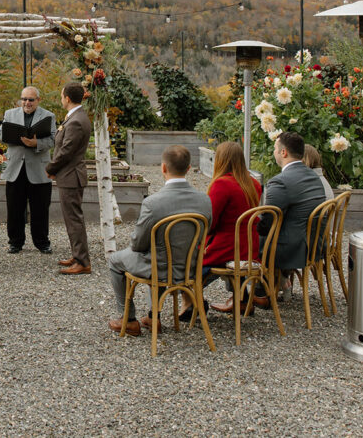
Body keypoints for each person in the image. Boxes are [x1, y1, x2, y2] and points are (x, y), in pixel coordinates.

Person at [106, 146, 211, 336]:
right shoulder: (204, 201)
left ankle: (128, 319)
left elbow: (137, 244)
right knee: (159, 255)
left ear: (163, 168)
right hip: (190, 268)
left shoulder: (153, 203)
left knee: (115, 260)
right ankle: (154, 316)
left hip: (160, 269)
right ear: (188, 169)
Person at [255, 131, 327, 308]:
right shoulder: (314, 176)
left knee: (243, 239)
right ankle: (274, 283)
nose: (274, 152)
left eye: (275, 149)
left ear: (283, 152)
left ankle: (253, 295)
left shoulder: (280, 182)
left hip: (292, 249)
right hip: (314, 244)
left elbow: (267, 224)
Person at [198, 141, 262, 316]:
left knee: (191, 257)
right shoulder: (253, 183)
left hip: (228, 247)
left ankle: (192, 299)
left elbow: (210, 223)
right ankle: (240, 299)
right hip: (249, 246)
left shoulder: (222, 184)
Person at [0, 86, 56, 254]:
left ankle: (42, 242)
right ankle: (15, 242)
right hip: (15, 167)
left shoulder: (48, 116)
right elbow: (0, 136)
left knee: (40, 208)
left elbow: (53, 140)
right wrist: (14, 136)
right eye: (24, 99)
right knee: (14, 208)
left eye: (31, 100)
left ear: (38, 100)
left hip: (39, 168)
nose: (27, 103)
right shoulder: (10, 114)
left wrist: (36, 144)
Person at [46, 82, 93, 275]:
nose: (60, 99)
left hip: (71, 175)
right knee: (71, 218)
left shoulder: (75, 121)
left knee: (73, 219)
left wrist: (51, 167)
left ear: (67, 98)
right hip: (69, 174)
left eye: (61, 95)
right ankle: (77, 255)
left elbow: (66, 150)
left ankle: (83, 261)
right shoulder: (76, 117)